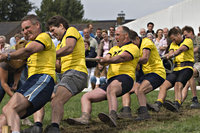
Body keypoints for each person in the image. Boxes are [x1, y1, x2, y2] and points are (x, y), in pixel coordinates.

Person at [65, 26, 140, 127]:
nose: (115, 37)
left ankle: (112, 116)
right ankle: (85, 118)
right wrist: (102, 60)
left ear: (126, 35)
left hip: (126, 78)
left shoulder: (133, 47)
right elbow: (107, 57)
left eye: (117, 35)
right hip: (111, 81)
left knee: (111, 88)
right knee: (86, 97)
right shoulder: (114, 48)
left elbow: (123, 57)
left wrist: (108, 60)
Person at [0, 14, 56, 133]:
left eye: (28, 27)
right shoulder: (30, 44)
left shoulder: (43, 37)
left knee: (9, 108)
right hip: (33, 82)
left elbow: (28, 50)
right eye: (23, 29)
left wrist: (7, 56)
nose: (25, 31)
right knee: (5, 114)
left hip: (42, 78)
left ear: (37, 25)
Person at [44, 15, 88, 133]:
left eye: (53, 30)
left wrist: (49, 55)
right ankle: (48, 125)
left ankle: (54, 127)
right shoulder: (58, 45)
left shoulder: (71, 31)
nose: (52, 34)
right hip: (67, 75)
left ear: (61, 26)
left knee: (57, 98)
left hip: (76, 73)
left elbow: (69, 48)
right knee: (49, 97)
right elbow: (59, 68)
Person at [119, 30, 166, 120]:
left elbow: (145, 59)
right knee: (126, 90)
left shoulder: (146, 42)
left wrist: (129, 60)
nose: (132, 45)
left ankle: (144, 114)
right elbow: (137, 66)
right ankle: (126, 111)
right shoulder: (134, 47)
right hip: (147, 74)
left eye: (133, 43)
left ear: (137, 38)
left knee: (140, 90)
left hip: (157, 72)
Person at [149, 27, 194, 112]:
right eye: (172, 39)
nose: (173, 41)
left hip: (187, 68)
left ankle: (177, 104)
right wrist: (167, 55)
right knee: (163, 85)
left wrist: (172, 55)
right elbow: (171, 52)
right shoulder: (173, 43)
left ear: (178, 35)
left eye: (174, 38)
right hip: (176, 69)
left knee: (178, 84)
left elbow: (181, 50)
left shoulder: (188, 41)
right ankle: (158, 104)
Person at [181, 26, 200, 108]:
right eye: (184, 35)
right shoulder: (185, 41)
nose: (185, 36)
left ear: (191, 32)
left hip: (198, 63)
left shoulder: (198, 39)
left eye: (186, 34)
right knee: (186, 83)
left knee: (190, 73)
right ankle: (179, 102)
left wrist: (189, 52)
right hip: (192, 64)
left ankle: (195, 99)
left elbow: (197, 48)